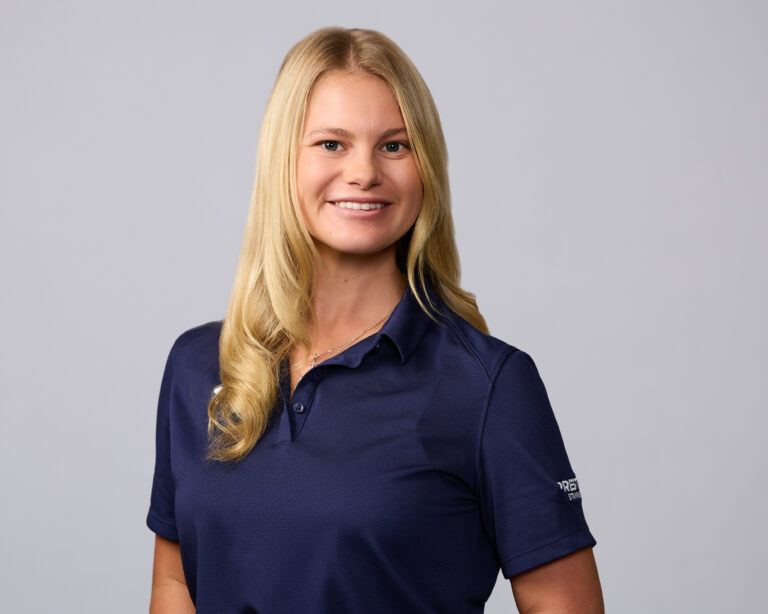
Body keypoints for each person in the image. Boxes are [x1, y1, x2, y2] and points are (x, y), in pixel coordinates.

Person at [147, 26, 604, 613]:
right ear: (283, 160)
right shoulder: (198, 365)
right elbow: (176, 582)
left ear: (426, 167)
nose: (364, 172)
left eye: (394, 145)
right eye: (331, 144)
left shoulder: (489, 386)